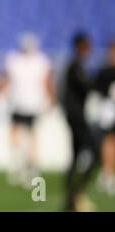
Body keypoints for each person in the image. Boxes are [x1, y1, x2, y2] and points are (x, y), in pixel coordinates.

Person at [0, 33, 54, 188]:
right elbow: (5, 79)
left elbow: (47, 82)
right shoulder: (15, 60)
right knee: (18, 134)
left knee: (30, 136)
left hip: (32, 104)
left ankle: (29, 165)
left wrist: (51, 99)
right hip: (18, 103)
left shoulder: (40, 61)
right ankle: (19, 164)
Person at [62, 32, 97, 211]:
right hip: (77, 118)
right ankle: (77, 193)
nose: (89, 49)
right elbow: (86, 87)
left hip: (74, 116)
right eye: (86, 45)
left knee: (75, 156)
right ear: (80, 46)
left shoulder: (75, 65)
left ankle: (70, 198)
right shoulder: (75, 66)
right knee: (94, 152)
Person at [92, 41, 115, 196]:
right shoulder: (106, 71)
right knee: (109, 140)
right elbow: (96, 90)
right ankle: (108, 172)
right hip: (110, 112)